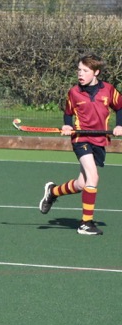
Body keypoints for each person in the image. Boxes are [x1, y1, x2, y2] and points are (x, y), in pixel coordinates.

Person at [39, 54, 122, 235]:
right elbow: (68, 113)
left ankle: (53, 192)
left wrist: (119, 125)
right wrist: (67, 125)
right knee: (93, 177)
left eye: (85, 70)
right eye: (79, 70)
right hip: (81, 139)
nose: (80, 74)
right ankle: (86, 224)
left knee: (82, 184)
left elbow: (120, 107)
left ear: (96, 72)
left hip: (100, 140)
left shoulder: (109, 90)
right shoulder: (74, 92)